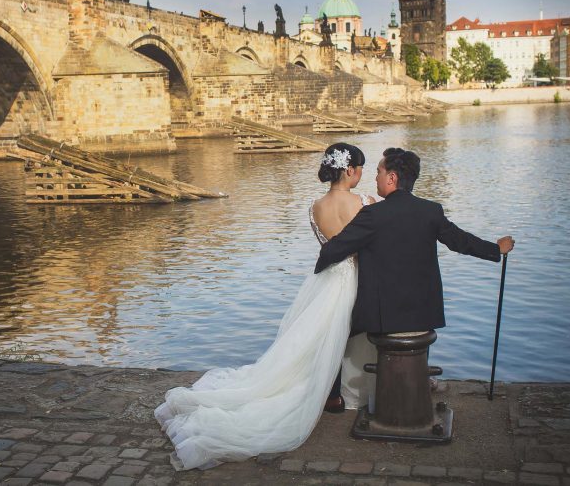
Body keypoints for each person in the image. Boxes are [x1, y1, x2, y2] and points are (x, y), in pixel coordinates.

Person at [155, 143, 373, 471]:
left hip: (327, 282)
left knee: (318, 338)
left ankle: (329, 393)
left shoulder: (315, 207)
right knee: (343, 333)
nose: (361, 174)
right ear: (349, 170)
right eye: (359, 168)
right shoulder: (366, 203)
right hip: (357, 280)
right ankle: (350, 391)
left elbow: (329, 247)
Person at [316, 148, 515, 407]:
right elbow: (460, 241)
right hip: (425, 313)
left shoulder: (373, 215)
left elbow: (333, 250)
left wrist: (325, 271)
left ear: (392, 178)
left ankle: (333, 393)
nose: (375, 178)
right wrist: (496, 249)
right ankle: (415, 384)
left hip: (381, 317)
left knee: (333, 328)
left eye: (379, 172)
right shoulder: (431, 211)